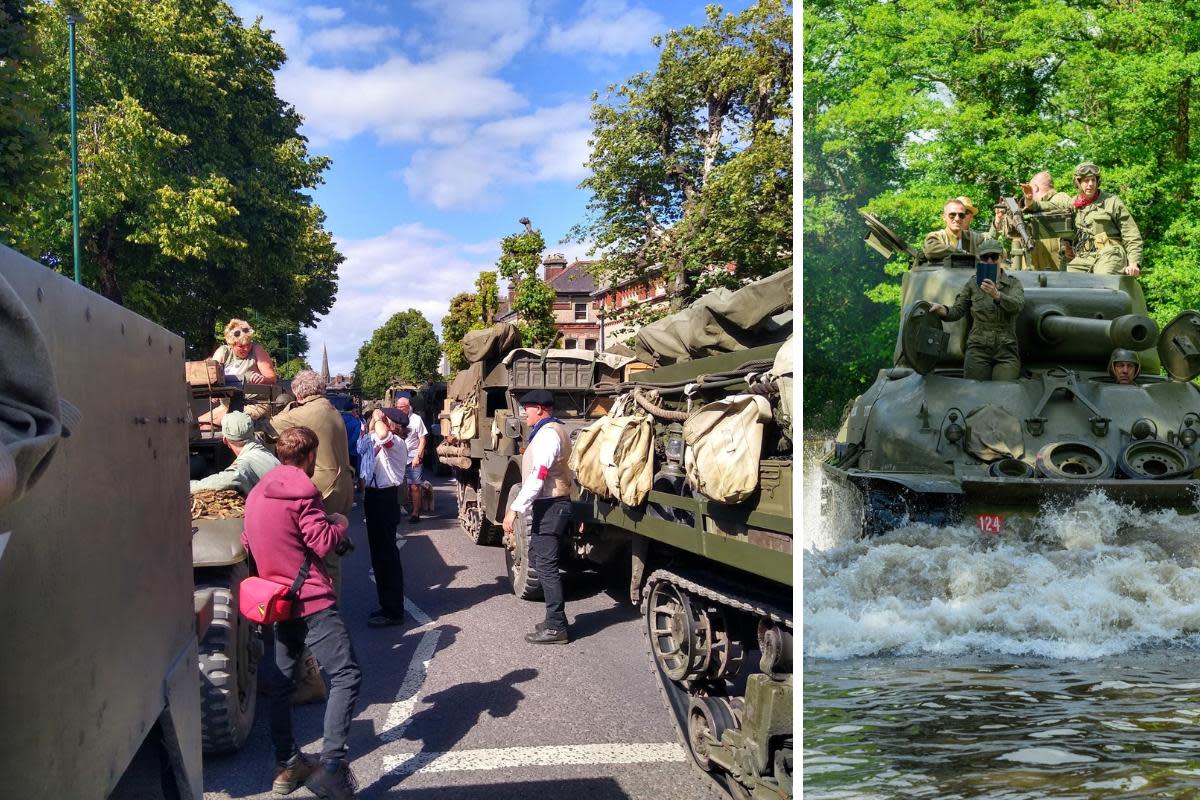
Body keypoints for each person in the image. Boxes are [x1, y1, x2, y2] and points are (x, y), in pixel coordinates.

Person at [242, 426, 360, 800]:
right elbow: (322, 542)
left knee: (281, 683)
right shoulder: (303, 490)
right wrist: (339, 524)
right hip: (310, 600)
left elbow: (248, 541)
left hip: (277, 601)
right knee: (346, 675)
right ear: (310, 457)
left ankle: (288, 764)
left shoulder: (258, 492)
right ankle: (331, 767)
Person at [268, 370, 354, 598]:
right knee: (332, 551)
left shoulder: (306, 412)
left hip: (325, 489)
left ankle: (330, 612)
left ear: (298, 393)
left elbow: (271, 424)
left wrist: (289, 406)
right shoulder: (329, 407)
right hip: (342, 485)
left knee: (325, 557)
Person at [502, 389, 574, 645]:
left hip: (551, 504)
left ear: (541, 410)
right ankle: (555, 621)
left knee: (546, 566)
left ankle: (556, 627)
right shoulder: (551, 431)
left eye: (528, 409)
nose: (524, 414)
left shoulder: (547, 436)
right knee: (539, 558)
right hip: (552, 504)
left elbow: (538, 477)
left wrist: (514, 509)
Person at [1023, 162, 1143, 276]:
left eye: (1093, 180)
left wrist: (1134, 263)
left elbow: (1131, 234)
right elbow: (1050, 206)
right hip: (1085, 256)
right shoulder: (1075, 203)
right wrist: (1030, 201)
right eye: (1086, 181)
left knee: (1102, 281)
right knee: (1065, 280)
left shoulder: (1112, 202)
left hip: (1109, 252)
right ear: (1078, 183)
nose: (1090, 184)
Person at [928, 239, 1025, 381]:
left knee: (1004, 391)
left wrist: (997, 295)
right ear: (981, 260)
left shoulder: (1013, 283)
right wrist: (942, 310)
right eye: (986, 257)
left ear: (1002, 257)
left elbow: (1017, 306)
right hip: (978, 348)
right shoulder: (973, 284)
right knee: (973, 390)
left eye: (994, 256)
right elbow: (958, 310)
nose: (990, 261)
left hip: (1006, 350)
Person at [361, 407, 409, 627]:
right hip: (374, 497)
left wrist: (380, 419)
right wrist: (372, 423)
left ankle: (393, 610)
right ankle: (386, 605)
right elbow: (363, 444)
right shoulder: (381, 440)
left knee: (387, 557)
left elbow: (382, 435)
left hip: (385, 498)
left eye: (384, 419)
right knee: (378, 557)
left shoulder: (397, 443)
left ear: (393, 424)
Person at [201, 319, 278, 426]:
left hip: (254, 404)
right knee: (198, 425)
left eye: (248, 344)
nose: (246, 348)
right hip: (227, 406)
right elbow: (211, 375)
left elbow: (272, 378)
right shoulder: (224, 351)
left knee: (218, 425)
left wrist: (263, 379)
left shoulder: (257, 350)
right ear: (231, 344)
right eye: (241, 346)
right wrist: (214, 391)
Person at [190, 411, 279, 494]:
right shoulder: (265, 452)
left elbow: (228, 479)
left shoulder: (245, 463)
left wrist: (188, 486)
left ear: (225, 440)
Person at [999, 171, 1070, 271]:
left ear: (1035, 188)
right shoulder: (1028, 209)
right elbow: (1012, 234)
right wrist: (1004, 217)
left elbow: (1061, 207)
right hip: (1032, 269)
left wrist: (1031, 204)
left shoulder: (1060, 197)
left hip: (1055, 271)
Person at [394, 396, 428, 523]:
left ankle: (415, 513)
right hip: (398, 458)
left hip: (413, 456)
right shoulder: (395, 418)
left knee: (414, 486)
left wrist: (418, 457)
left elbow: (422, 440)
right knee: (398, 486)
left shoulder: (416, 419)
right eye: (397, 407)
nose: (398, 409)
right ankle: (399, 508)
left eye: (401, 407)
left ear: (408, 408)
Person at [923, 198, 991, 261]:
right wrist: (961, 253)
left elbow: (991, 241)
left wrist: (998, 220)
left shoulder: (973, 237)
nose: (957, 219)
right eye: (952, 215)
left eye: (961, 215)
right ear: (944, 217)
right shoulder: (936, 236)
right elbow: (930, 250)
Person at [341, 403, 363, 486]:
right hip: (352, 451)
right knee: (352, 472)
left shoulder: (339, 419)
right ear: (353, 411)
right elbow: (355, 437)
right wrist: (348, 448)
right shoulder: (356, 422)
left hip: (340, 450)